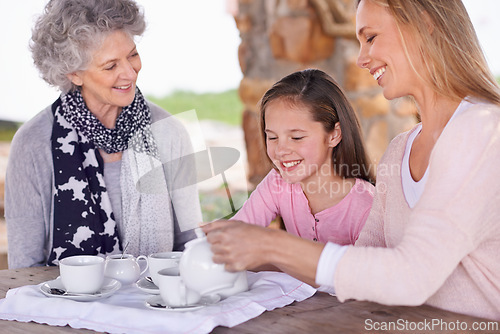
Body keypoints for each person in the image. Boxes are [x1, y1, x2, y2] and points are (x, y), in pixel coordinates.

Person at [202, 0, 500, 321]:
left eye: (370, 37)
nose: (360, 59)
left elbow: (412, 275)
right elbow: (363, 265)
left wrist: (272, 245)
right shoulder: (399, 151)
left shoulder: (484, 129)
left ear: (425, 24)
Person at [5, 0, 201, 269]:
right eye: (110, 66)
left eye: (132, 55)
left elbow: (192, 243)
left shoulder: (169, 131)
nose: (129, 73)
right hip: (67, 308)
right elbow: (24, 266)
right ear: (74, 74)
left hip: (157, 304)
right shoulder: (32, 143)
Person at [231, 69, 374, 246]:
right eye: (273, 137)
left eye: (297, 137)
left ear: (334, 135)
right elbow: (236, 233)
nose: (281, 150)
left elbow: (365, 272)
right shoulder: (278, 183)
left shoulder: (366, 207)